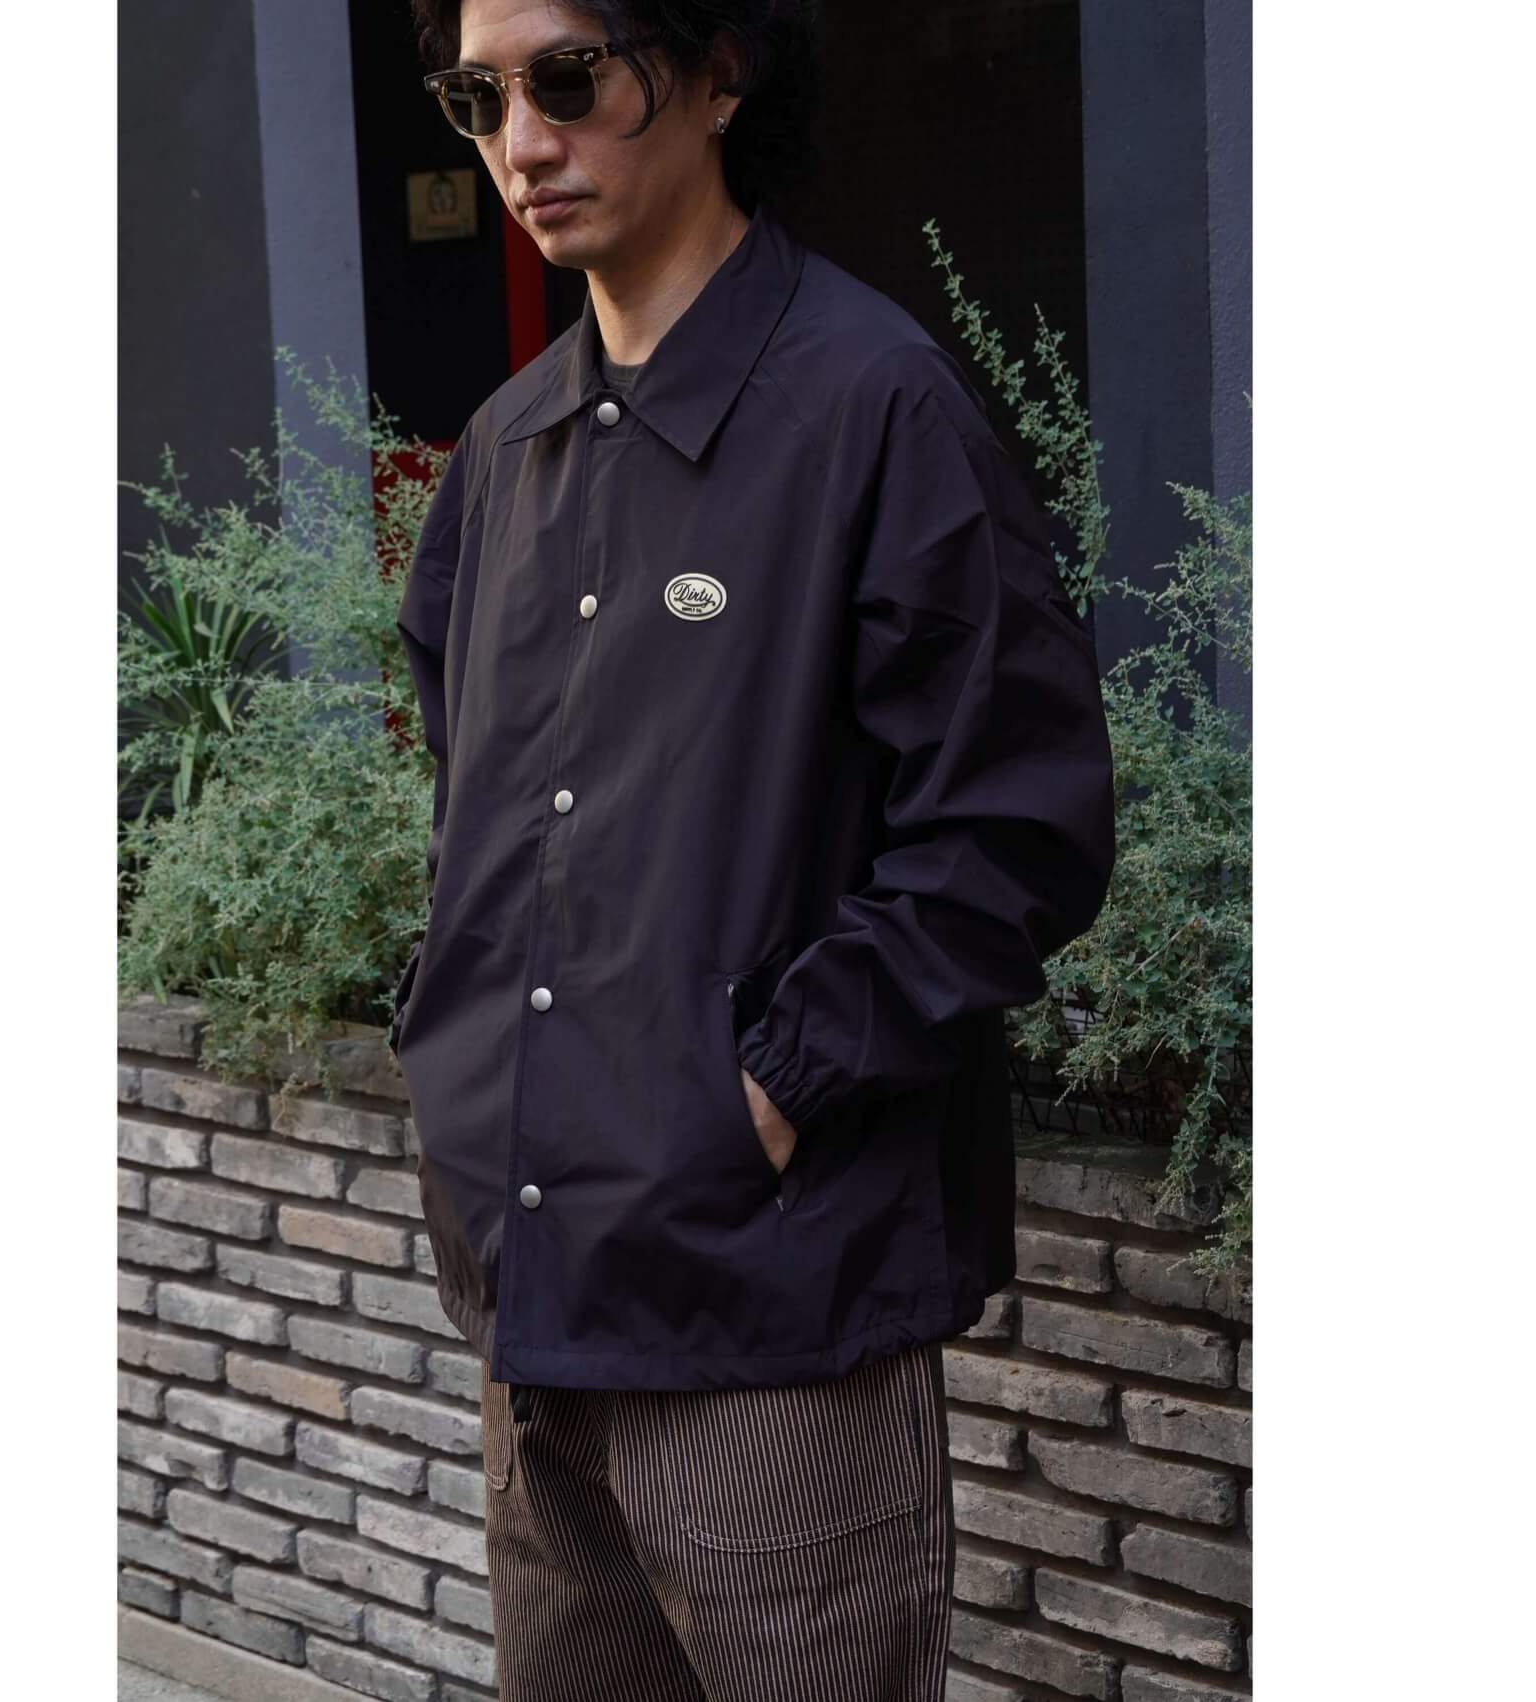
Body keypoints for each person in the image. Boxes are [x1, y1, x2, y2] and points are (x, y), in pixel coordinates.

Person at [390, 3, 1117, 1697]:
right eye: (479, 97)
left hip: (766, 1304)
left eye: (570, 78)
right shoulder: (503, 449)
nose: (523, 142)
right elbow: (479, 808)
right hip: (531, 1295)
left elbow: (1015, 821)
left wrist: (776, 1080)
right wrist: (459, 1042)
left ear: (717, 71)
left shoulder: (873, 405)